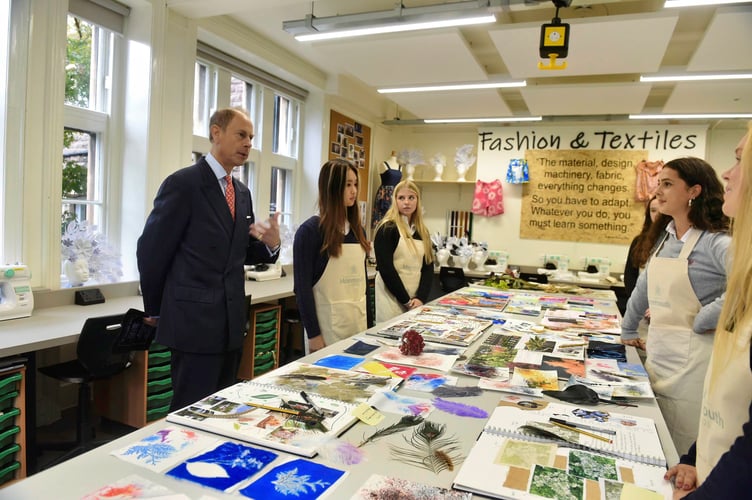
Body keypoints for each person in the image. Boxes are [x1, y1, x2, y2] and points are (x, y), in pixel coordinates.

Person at [137, 107, 280, 411]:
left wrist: (270, 243)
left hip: (230, 323)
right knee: (191, 411)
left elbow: (240, 252)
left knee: (221, 408)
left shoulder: (241, 192)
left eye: (251, 137)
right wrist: (155, 308)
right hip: (192, 323)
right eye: (241, 135)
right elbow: (151, 250)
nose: (248, 143)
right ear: (216, 133)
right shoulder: (183, 184)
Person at [620, 157, 730, 455]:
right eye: (659, 184)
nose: (658, 191)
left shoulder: (717, 243)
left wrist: (705, 317)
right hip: (659, 353)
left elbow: (745, 288)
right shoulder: (667, 238)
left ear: (694, 191)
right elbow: (643, 286)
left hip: (697, 363)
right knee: (654, 438)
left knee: (682, 443)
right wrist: (627, 328)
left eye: (668, 184)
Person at [665, 127, 752, 499]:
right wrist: (695, 456)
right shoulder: (667, 238)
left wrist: (699, 320)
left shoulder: (718, 244)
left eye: (738, 159)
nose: (728, 174)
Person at [293, 159, 370, 353]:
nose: (354, 191)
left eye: (355, 184)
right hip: (326, 332)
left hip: (357, 327)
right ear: (332, 188)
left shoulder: (358, 232)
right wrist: (313, 335)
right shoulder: (310, 232)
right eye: (347, 185)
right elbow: (302, 290)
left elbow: (363, 287)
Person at [373, 180, 434, 324]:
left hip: (415, 302)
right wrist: (406, 301)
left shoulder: (422, 232)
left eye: (411, 198)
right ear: (395, 200)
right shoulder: (387, 228)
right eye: (401, 198)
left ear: (418, 200)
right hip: (391, 299)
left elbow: (428, 267)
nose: (406, 202)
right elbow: (386, 269)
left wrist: (420, 298)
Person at [371, 151, 402, 230]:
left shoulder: (400, 167)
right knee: (383, 220)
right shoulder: (383, 164)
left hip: (396, 195)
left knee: (395, 222)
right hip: (385, 195)